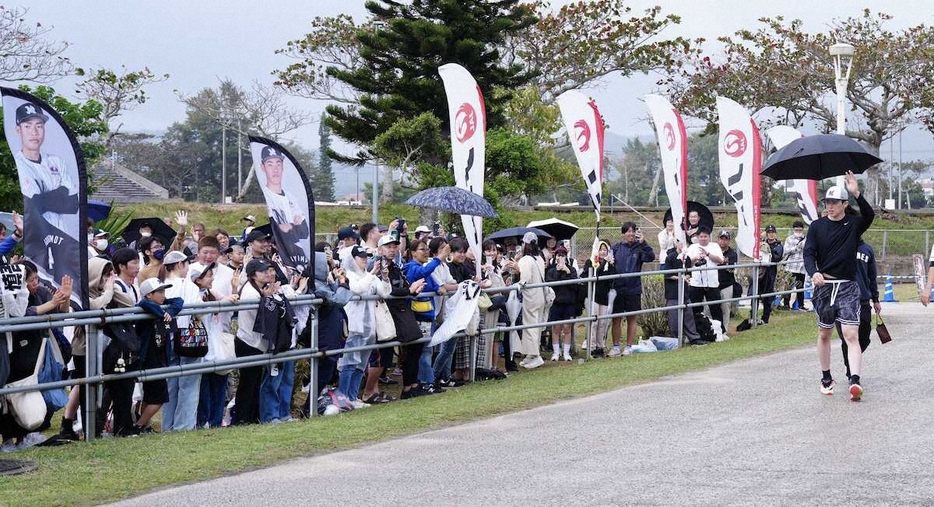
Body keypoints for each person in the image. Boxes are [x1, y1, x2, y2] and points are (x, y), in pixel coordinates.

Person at [803, 172, 874, 401]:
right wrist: (813, 272)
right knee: (824, 333)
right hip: (824, 286)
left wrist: (856, 193)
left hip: (847, 286)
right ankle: (826, 377)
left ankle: (855, 380)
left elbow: (870, 215)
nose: (830, 206)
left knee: (850, 333)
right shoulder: (817, 226)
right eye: (827, 202)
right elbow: (808, 253)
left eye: (835, 202)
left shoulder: (853, 224)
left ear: (844, 204)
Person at [337, 246, 390, 407]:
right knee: (349, 362)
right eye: (361, 257)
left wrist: (385, 278)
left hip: (369, 326)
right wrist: (373, 273)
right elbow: (357, 289)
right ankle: (344, 397)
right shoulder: (349, 275)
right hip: (354, 325)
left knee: (361, 363)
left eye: (366, 256)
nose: (365, 259)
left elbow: (385, 292)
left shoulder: (369, 275)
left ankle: (353, 397)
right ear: (353, 259)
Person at [160, 250, 204, 432]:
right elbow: (199, 310)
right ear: (180, 264)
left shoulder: (160, 285)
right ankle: (184, 426)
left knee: (171, 384)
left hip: (166, 336)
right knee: (189, 384)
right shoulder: (189, 286)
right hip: (187, 336)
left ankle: (168, 425)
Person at [233, 259, 280, 424]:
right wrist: (267, 298)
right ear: (253, 275)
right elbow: (260, 317)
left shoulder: (256, 289)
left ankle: (251, 417)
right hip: (248, 342)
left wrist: (266, 296)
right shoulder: (251, 292)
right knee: (248, 383)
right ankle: (242, 418)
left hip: (252, 341)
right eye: (263, 271)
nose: (267, 273)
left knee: (253, 383)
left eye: (267, 270)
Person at [134, 278, 184, 433]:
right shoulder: (144, 306)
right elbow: (144, 304)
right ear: (149, 294)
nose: (164, 295)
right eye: (160, 292)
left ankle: (145, 425)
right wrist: (163, 313)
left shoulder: (161, 304)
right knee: (160, 397)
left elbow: (178, 300)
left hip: (159, 355)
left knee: (150, 395)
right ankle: (139, 426)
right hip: (149, 356)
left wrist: (169, 311)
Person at [259, 146, 310, 273]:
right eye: (270, 164)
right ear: (263, 167)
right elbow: (276, 228)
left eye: (278, 164)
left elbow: (304, 231)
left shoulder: (291, 196)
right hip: (280, 252)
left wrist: (289, 226)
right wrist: (292, 225)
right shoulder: (265, 196)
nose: (275, 169)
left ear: (282, 167)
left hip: (297, 253)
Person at [609, 222, 656, 357]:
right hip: (618, 287)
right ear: (623, 233)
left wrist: (643, 243)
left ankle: (629, 346)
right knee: (616, 319)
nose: (630, 234)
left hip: (633, 288)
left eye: (632, 231)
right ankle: (616, 346)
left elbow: (651, 257)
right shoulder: (616, 248)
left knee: (632, 318)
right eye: (628, 231)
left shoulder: (640, 248)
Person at [837, 238, 880, 380]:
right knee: (848, 338)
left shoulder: (867, 249)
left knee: (864, 338)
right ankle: (851, 371)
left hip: (863, 300)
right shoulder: (839, 246)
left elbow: (872, 276)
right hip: (843, 300)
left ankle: (852, 359)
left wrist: (875, 299)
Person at [685, 226, 725, 332]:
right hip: (696, 283)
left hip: (712, 283)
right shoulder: (693, 247)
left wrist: (707, 254)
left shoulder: (714, 246)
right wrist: (696, 257)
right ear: (697, 237)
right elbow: (687, 263)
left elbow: (720, 260)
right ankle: (695, 332)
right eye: (701, 236)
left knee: (716, 308)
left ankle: (721, 331)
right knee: (695, 309)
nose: (703, 238)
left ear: (709, 237)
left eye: (705, 236)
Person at [516, 232, 547, 369]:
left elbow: (525, 278)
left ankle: (535, 355)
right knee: (536, 325)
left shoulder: (525, 260)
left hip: (531, 297)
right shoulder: (539, 258)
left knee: (530, 326)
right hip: (541, 296)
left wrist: (516, 268)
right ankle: (531, 354)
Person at [663, 243, 704, 345]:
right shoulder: (670, 257)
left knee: (688, 315)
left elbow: (689, 273)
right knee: (674, 318)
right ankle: (675, 340)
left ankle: (694, 338)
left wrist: (686, 278)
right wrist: (680, 277)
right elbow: (668, 274)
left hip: (685, 292)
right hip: (673, 292)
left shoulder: (687, 258)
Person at [545, 245, 580, 361]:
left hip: (569, 303)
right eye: (559, 255)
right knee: (555, 328)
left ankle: (566, 353)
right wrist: (558, 272)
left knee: (567, 328)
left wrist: (567, 272)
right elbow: (552, 286)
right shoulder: (551, 271)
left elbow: (575, 286)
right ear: (555, 257)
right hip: (556, 303)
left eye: (563, 255)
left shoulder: (572, 270)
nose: (561, 257)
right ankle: (556, 353)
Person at [582, 239, 613, 357]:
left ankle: (600, 346)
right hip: (592, 296)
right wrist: (602, 264)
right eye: (601, 249)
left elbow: (611, 279)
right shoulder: (591, 263)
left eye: (605, 250)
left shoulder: (608, 264)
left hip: (603, 296)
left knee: (602, 323)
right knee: (593, 322)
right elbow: (595, 274)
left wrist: (610, 265)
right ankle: (591, 346)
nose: (603, 252)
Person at [756, 225, 784, 325]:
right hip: (760, 272)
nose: (771, 234)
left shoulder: (778, 245)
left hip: (770, 273)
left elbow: (777, 257)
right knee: (755, 294)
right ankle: (753, 316)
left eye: (772, 232)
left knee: (767, 297)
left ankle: (765, 318)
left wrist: (768, 250)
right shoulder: (762, 243)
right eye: (769, 232)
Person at [782, 221, 809, 311]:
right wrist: (796, 248)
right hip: (790, 266)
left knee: (800, 287)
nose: (798, 229)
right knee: (788, 287)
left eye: (800, 227)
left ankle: (801, 305)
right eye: (796, 227)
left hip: (801, 267)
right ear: (793, 229)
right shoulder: (789, 239)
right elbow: (786, 250)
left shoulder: (806, 239)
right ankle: (786, 305)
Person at [716, 230, 738, 332]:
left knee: (725, 308)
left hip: (727, 284)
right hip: (714, 284)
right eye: (721, 239)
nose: (723, 241)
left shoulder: (732, 253)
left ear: (729, 241)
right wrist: (723, 261)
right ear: (718, 239)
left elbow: (731, 269)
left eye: (725, 239)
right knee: (709, 308)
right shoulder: (713, 251)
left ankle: (724, 330)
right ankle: (712, 329)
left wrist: (722, 263)